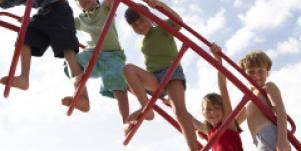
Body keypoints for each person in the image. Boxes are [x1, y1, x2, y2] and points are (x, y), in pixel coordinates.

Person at [124, 0, 199, 150]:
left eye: (141, 21)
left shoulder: (161, 28)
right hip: (155, 77)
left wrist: (160, 6)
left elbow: (178, 22)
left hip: (171, 72)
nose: (139, 27)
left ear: (150, 17)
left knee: (179, 110)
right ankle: (146, 108)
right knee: (127, 70)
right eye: (135, 26)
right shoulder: (143, 42)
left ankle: (194, 148)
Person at [0, 0, 90, 112]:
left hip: (60, 10)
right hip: (43, 14)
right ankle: (24, 78)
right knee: (25, 36)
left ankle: (83, 97)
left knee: (67, 50)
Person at [64, 0, 130, 134]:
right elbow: (59, 24)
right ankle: (82, 98)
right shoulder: (80, 20)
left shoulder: (105, 8)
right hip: (93, 54)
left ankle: (126, 122)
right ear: (78, 5)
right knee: (71, 61)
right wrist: (33, 22)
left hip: (113, 55)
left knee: (116, 82)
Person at [191, 43, 243, 151]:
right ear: (203, 113)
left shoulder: (227, 123)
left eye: (216, 108)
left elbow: (222, 87)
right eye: (209, 109)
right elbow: (190, 119)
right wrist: (171, 104)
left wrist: (218, 59)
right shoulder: (209, 131)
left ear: (223, 109)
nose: (213, 113)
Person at [238, 50, 290, 151]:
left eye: (260, 71)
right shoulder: (250, 96)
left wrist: (283, 139)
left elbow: (280, 111)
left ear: (267, 72)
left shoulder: (268, 87)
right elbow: (235, 122)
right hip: (259, 140)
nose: (256, 75)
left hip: (271, 136)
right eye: (251, 72)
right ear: (244, 73)